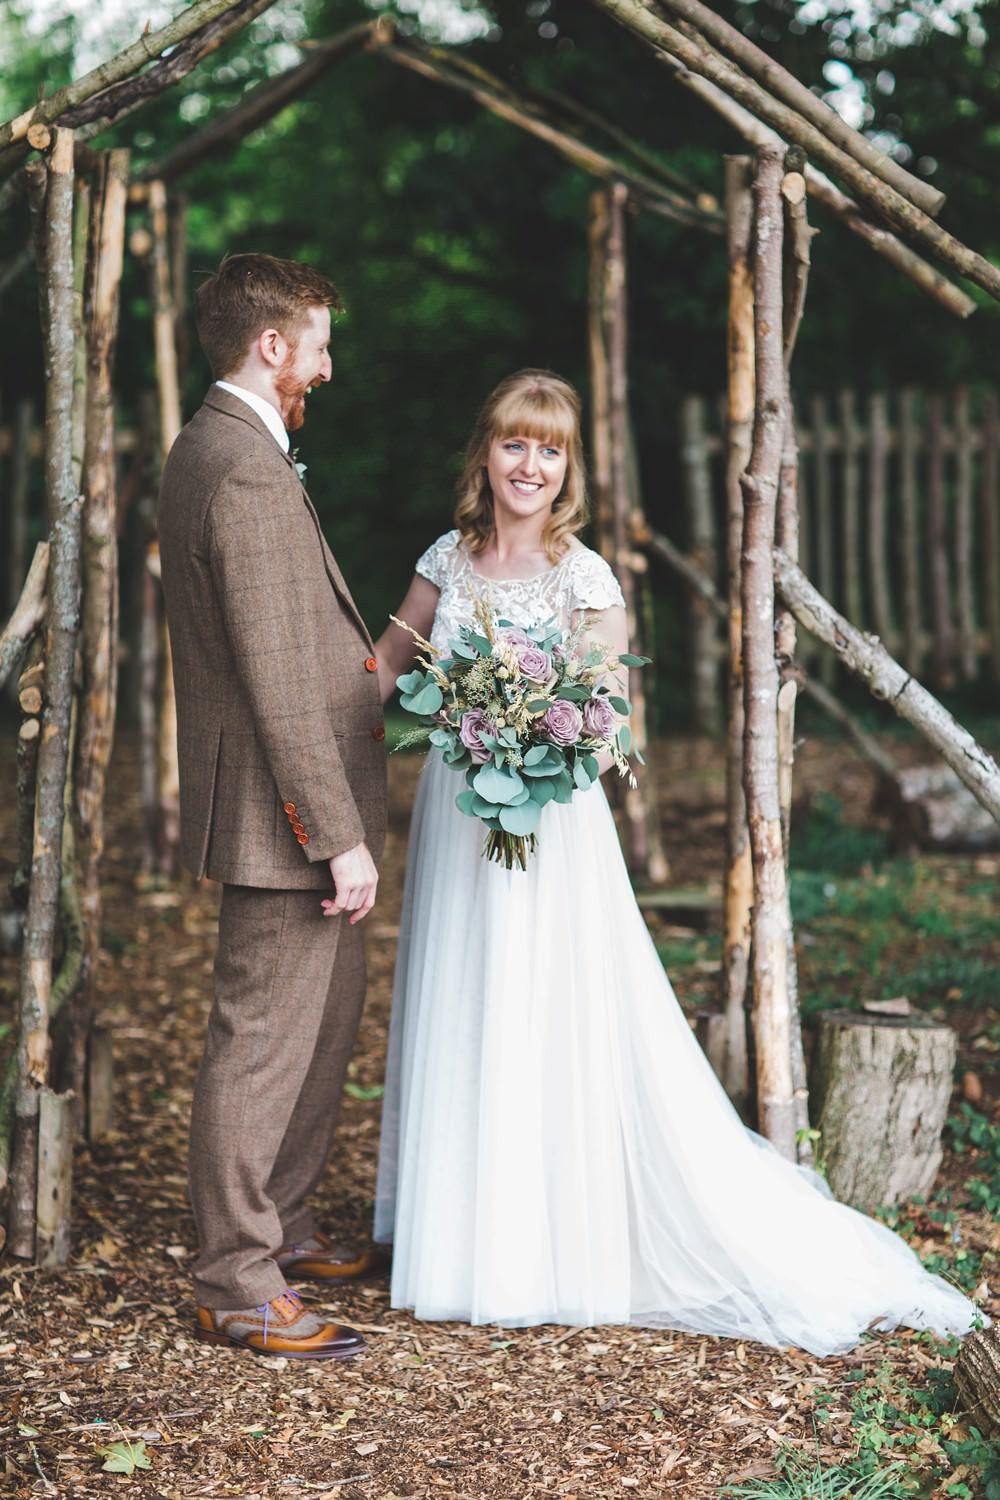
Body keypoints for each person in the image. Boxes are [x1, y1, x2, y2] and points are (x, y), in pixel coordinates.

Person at [370, 367, 981, 1354]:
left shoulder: (585, 576)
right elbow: (387, 661)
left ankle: (538, 1244)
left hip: (547, 827)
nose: (530, 465)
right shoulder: (447, 556)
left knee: (542, 1002)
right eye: (515, 444)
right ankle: (455, 1235)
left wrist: (537, 734)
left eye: (550, 448)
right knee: (459, 994)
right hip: (453, 816)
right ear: (485, 452)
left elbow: (607, 716)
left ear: (569, 467)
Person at [158, 253, 387, 1361]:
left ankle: (283, 1227)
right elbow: (274, 678)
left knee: (317, 1030)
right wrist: (334, 835)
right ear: (271, 346)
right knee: (257, 1047)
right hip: (282, 814)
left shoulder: (232, 447)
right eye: (321, 345)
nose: (328, 369)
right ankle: (235, 1278)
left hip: (284, 804)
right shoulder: (240, 466)